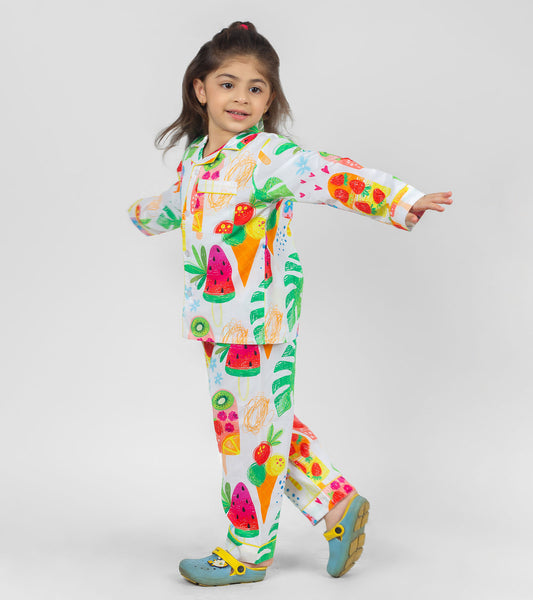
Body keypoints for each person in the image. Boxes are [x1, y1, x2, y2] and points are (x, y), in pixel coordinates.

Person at [127, 21, 452, 586]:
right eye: (228, 84)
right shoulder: (198, 158)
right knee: (259, 423)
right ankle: (336, 503)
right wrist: (141, 215)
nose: (241, 98)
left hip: (256, 319)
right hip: (214, 319)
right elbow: (180, 203)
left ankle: (247, 551)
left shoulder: (269, 156)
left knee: (245, 436)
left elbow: (331, 174)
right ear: (200, 89)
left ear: (269, 98)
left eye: (255, 88)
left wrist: (402, 199)